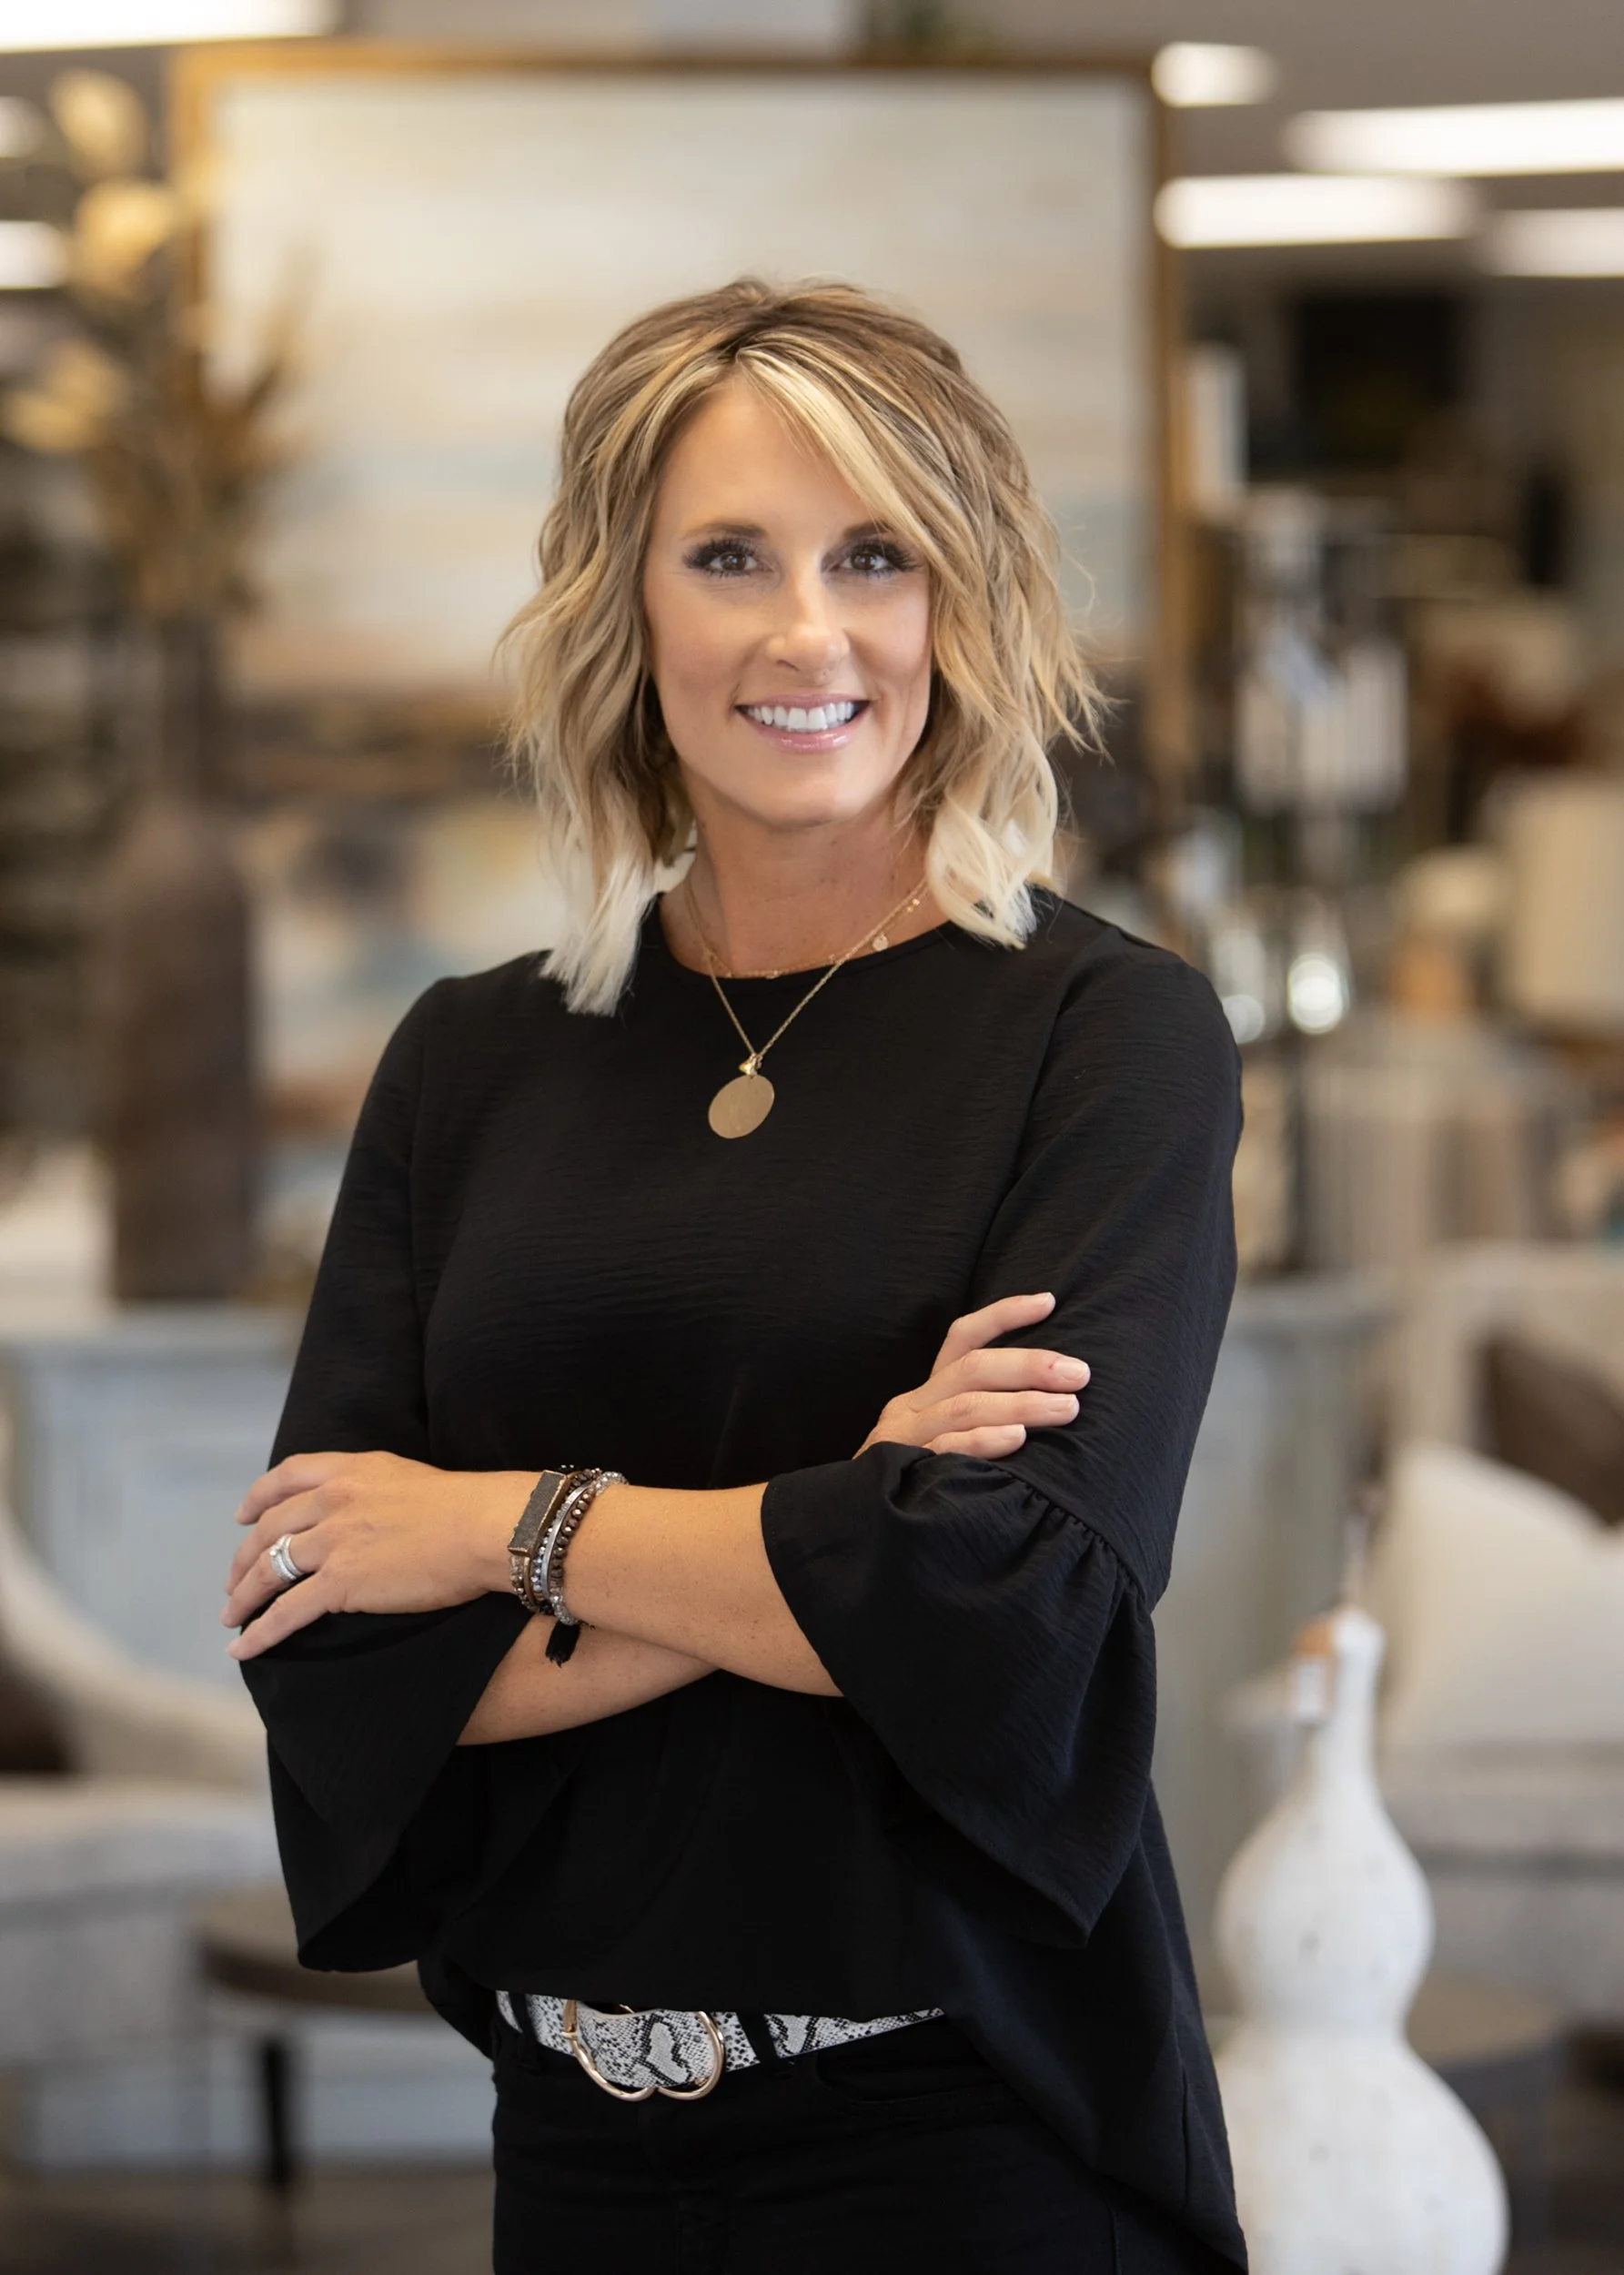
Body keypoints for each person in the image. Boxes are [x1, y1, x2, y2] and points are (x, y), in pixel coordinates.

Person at [224, 278, 1246, 2274]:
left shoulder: (1106, 1035)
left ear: (961, 600)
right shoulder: (470, 1056)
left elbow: (1006, 1615)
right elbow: (328, 1636)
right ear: (627, 604)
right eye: (728, 557)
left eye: (875, 555)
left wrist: (496, 1528)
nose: (807, 632)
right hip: (571, 2150)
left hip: (965, 2141)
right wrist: (850, 1511)